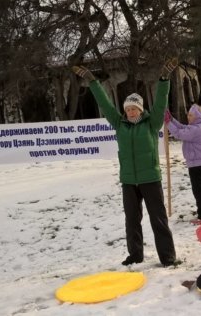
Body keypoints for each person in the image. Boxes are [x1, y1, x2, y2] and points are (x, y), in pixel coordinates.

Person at [72, 60, 178, 267]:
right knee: (132, 221)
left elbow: (161, 102)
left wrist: (164, 78)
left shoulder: (151, 123)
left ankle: (168, 257)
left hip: (150, 179)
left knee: (158, 220)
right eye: (128, 108)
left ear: (140, 109)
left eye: (134, 108)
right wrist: (92, 81)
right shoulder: (119, 123)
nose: (130, 112)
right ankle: (135, 255)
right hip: (129, 181)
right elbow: (105, 104)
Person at [164, 104, 201, 224]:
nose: (188, 117)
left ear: (197, 117)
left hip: (197, 165)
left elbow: (178, 133)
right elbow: (182, 127)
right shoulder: (200, 126)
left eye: (191, 115)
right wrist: (171, 119)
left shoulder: (195, 129)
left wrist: (168, 123)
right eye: (188, 114)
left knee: (199, 191)